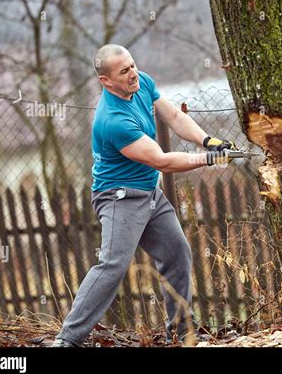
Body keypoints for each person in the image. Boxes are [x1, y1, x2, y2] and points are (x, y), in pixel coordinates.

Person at [51, 44, 236, 347]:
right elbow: (162, 161)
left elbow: (174, 117)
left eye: (133, 65)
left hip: (150, 193)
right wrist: (208, 159)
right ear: (106, 81)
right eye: (124, 71)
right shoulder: (113, 120)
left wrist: (208, 141)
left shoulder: (143, 84)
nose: (133, 73)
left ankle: (182, 333)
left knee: (177, 253)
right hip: (119, 197)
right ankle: (67, 340)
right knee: (113, 265)